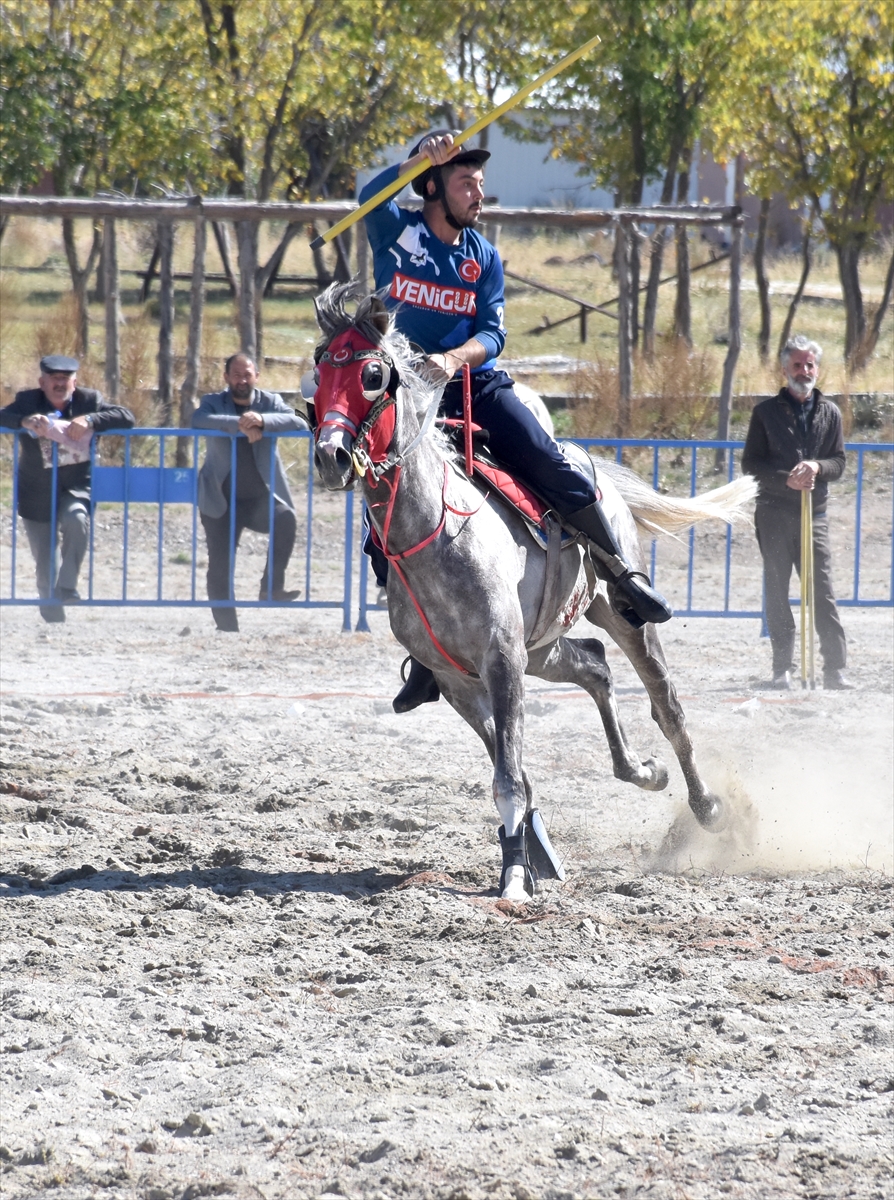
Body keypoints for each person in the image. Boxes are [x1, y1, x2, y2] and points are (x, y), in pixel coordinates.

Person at [358, 129, 672, 712]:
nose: (479, 194)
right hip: (405, 399)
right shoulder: (397, 232)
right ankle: (428, 656)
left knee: (551, 463)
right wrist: (417, 157)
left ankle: (621, 575)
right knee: (380, 517)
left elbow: (494, 334)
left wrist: (452, 360)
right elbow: (368, 195)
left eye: (481, 184)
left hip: (472, 387)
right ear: (433, 188)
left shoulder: (483, 256)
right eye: (465, 183)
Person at [742, 335, 852, 690]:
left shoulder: (830, 412)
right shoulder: (764, 413)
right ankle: (782, 669)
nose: (804, 371)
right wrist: (783, 481)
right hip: (773, 513)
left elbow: (839, 462)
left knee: (821, 589)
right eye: (797, 365)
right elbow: (751, 466)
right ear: (785, 368)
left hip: (813, 515)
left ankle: (835, 670)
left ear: (816, 368)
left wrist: (817, 467)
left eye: (810, 365)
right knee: (777, 590)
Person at [0, 354, 134, 623]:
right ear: (42, 382)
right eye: (54, 379)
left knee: (76, 520)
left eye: (66, 379)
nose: (60, 383)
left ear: (75, 382)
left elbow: (126, 417)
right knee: (45, 561)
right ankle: (53, 617)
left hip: (75, 488)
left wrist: (91, 420)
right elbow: (3, 416)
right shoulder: (27, 401)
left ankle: (68, 587)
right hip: (36, 490)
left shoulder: (89, 400)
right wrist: (25, 421)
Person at [192, 353, 308, 633]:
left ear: (256, 376)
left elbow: (299, 421)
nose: (241, 380)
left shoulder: (270, 402)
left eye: (247, 374)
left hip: (259, 498)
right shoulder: (212, 401)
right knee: (219, 566)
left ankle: (271, 588)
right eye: (236, 374)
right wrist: (241, 425)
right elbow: (198, 419)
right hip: (219, 498)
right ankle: (227, 628)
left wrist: (263, 421)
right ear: (226, 377)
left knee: (286, 520)